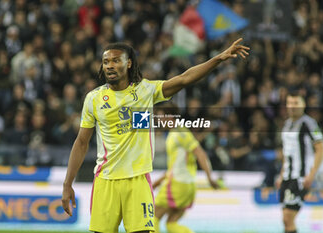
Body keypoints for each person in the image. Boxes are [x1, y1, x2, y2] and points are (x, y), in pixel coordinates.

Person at [61, 39, 249, 233]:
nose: (110, 65)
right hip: (105, 180)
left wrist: (218, 58)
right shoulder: (94, 98)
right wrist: (67, 184)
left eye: (116, 60)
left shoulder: (145, 91)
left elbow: (185, 79)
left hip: (138, 180)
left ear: (129, 63)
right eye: (106, 61)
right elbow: (81, 142)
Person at [152, 103, 219, 233]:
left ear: (169, 116)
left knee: (152, 217)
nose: (158, 120)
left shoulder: (179, 132)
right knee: (171, 224)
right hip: (186, 185)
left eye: (160, 116)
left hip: (177, 185)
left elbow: (200, 153)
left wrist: (209, 178)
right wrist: (158, 182)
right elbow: (176, 165)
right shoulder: (175, 133)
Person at [276, 92, 323, 233]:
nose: (292, 107)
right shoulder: (286, 124)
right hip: (287, 176)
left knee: (288, 218)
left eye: (296, 103)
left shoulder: (309, 123)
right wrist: (281, 175)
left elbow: (321, 148)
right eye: (290, 103)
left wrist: (311, 174)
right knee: (286, 219)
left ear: (303, 105)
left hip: (300, 177)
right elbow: (287, 153)